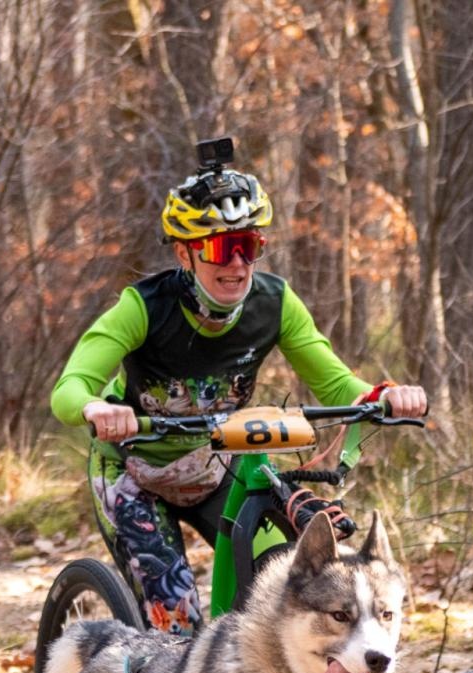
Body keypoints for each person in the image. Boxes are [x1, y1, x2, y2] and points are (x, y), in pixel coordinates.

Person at [51, 144, 426, 634]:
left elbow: (337, 383)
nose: (238, 264)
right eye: (221, 249)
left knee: (289, 591)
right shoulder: (142, 307)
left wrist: (383, 397)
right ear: (186, 252)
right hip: (134, 474)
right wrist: (96, 407)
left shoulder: (275, 303)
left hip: (216, 467)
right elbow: (69, 389)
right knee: (176, 620)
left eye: (248, 246)